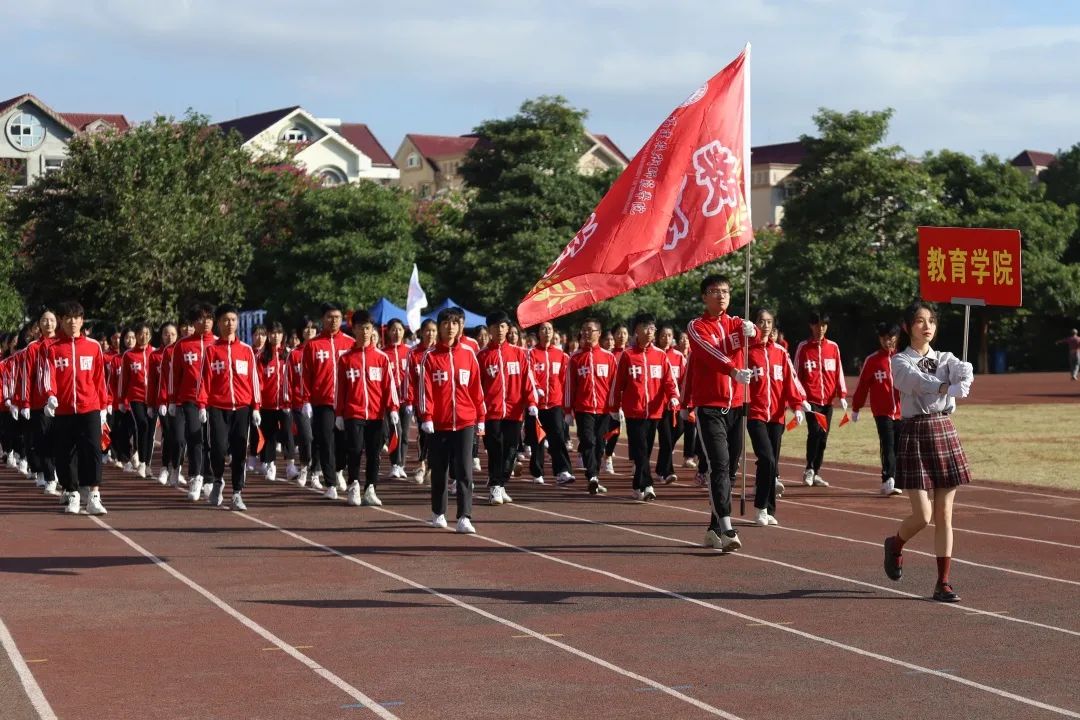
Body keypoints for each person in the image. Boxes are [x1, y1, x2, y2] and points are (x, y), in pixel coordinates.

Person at [884, 301, 974, 603]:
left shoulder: (946, 357)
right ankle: (895, 545)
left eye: (931, 321)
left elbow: (960, 373)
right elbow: (917, 383)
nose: (928, 326)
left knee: (945, 514)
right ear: (909, 326)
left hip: (943, 429)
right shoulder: (900, 361)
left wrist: (964, 374)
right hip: (916, 433)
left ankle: (943, 582)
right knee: (922, 515)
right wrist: (945, 387)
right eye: (921, 321)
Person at [685, 274, 756, 552]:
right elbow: (710, 352)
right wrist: (733, 369)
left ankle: (713, 528)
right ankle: (727, 528)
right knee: (719, 465)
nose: (721, 296)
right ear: (704, 296)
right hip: (710, 407)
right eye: (714, 291)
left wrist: (753, 332)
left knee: (732, 468)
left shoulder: (736, 322)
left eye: (725, 291)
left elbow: (754, 340)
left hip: (737, 406)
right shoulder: (696, 326)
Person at [417, 307, 486, 533]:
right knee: (440, 469)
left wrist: (481, 417)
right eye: (446, 323)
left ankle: (464, 516)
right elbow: (424, 389)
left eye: (454, 323)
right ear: (439, 327)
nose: (450, 327)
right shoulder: (430, 357)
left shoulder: (468, 355)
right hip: (439, 423)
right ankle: (439, 512)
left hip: (466, 421)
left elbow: (477, 389)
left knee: (465, 470)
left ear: (460, 327)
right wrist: (427, 416)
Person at [43, 301, 109, 515]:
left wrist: (104, 406)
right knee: (64, 454)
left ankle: (94, 496)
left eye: (77, 318)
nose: (73, 322)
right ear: (61, 320)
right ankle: (72, 493)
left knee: (93, 451)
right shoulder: (52, 348)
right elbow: (48, 376)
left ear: (82, 320)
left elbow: (100, 379)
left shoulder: (93, 346)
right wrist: (51, 396)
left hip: (89, 407)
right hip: (63, 410)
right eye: (68, 318)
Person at [746, 309, 808, 526]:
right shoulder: (746, 352)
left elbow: (790, 381)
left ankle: (770, 508)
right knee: (766, 459)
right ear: (753, 324)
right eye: (760, 321)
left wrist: (797, 406)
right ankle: (760, 508)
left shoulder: (780, 353)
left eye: (769, 322)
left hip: (777, 416)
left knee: (772, 463)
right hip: (755, 414)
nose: (765, 325)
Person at [610, 313, 679, 501]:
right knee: (640, 448)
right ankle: (648, 485)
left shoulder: (660, 355)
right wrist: (614, 408)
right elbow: (618, 384)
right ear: (637, 331)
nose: (650, 332)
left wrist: (673, 397)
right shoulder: (627, 356)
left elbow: (669, 381)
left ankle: (637, 485)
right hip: (634, 411)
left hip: (655, 412)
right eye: (646, 328)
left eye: (652, 328)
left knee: (646, 450)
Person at [199, 304, 261, 510]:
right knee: (217, 448)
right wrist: (202, 405)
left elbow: (253, 379)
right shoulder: (211, 351)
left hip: (242, 408)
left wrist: (256, 407)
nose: (230, 324)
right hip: (217, 407)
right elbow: (204, 380)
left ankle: (237, 492)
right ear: (218, 323)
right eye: (226, 320)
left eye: (233, 320)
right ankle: (217, 479)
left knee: (239, 450)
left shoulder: (246, 350)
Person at [335, 310, 399, 507]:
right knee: (354, 450)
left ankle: (370, 488)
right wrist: (339, 413)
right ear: (354, 329)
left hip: (376, 413)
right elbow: (340, 389)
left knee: (374, 452)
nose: (365, 332)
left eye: (368, 328)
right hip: (353, 412)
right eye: (361, 328)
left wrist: (393, 408)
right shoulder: (345, 358)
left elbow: (389, 385)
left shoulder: (381, 358)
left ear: (373, 330)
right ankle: (354, 484)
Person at [477, 311, 539, 505]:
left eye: (503, 326)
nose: (500, 330)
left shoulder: (519, 354)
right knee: (495, 449)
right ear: (490, 330)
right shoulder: (482, 356)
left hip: (514, 411)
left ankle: (501, 483)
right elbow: (476, 386)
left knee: (511, 450)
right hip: (491, 412)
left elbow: (527, 380)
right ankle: (495, 485)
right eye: (496, 327)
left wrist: (532, 403)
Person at [794, 311, 847, 487]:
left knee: (823, 437)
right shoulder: (803, 347)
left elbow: (838, 371)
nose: (820, 329)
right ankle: (809, 468)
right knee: (815, 431)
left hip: (828, 401)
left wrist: (843, 394)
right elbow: (795, 374)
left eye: (823, 325)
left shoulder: (834, 347)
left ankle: (816, 471)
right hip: (811, 400)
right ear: (811, 326)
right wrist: (800, 398)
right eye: (817, 325)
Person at [169, 303, 216, 502]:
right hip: (190, 399)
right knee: (195, 438)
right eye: (200, 319)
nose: (204, 322)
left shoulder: (218, 343)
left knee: (212, 441)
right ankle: (195, 476)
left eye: (208, 318)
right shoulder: (183, 345)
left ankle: (210, 478)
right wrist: (172, 400)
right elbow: (175, 374)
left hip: (214, 400)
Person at [303, 303, 349, 499]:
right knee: (326, 441)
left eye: (337, 317)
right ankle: (330, 483)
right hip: (323, 401)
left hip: (346, 402)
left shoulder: (349, 343)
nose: (334, 320)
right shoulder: (313, 345)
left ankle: (339, 470)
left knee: (345, 443)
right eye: (330, 317)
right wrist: (306, 400)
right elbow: (306, 375)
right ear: (323, 319)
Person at [851, 323, 904, 496]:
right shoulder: (872, 360)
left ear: (896, 338)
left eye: (891, 337)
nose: (887, 341)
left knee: (900, 446)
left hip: (902, 412)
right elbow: (862, 386)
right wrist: (856, 408)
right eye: (884, 338)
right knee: (887, 444)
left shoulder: (904, 359)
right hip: (882, 412)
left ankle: (898, 478)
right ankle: (888, 479)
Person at [566, 318, 616, 496]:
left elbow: (615, 385)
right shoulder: (575, 358)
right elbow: (570, 385)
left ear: (599, 333)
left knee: (600, 444)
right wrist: (568, 410)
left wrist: (617, 407)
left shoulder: (609, 357)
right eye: (584, 330)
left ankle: (595, 475)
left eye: (591, 330)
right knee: (588, 441)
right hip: (583, 408)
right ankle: (592, 476)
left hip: (604, 409)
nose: (587, 333)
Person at [526, 321, 574, 485]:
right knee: (537, 440)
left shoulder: (561, 356)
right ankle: (537, 472)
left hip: (555, 404)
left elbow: (564, 380)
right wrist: (536, 390)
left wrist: (567, 407)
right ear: (538, 333)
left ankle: (563, 470)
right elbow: (529, 374)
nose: (546, 332)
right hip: (536, 405)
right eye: (543, 329)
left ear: (554, 333)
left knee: (558, 437)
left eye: (549, 329)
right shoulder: (531, 354)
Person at [18, 308, 59, 494]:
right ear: (39, 325)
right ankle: (49, 476)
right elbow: (28, 377)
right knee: (44, 439)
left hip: (63, 402)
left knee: (63, 439)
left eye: (51, 320)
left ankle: (58, 472)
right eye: (44, 320)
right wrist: (25, 402)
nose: (48, 323)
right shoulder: (33, 348)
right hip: (39, 402)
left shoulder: (63, 344)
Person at [117, 322, 155, 479]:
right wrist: (121, 399)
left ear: (151, 335)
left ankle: (147, 462)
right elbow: (123, 379)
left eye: (147, 333)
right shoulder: (129, 355)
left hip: (153, 398)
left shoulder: (155, 353)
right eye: (140, 333)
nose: (143, 336)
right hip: (136, 396)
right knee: (142, 424)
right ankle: (142, 462)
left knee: (150, 431)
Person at [258, 322, 293, 483]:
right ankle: (270, 464)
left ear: (282, 335)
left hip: (286, 403)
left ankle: (290, 464)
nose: (275, 336)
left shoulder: (288, 354)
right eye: (272, 333)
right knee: (269, 435)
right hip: (267, 404)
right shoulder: (262, 357)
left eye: (278, 333)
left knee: (287, 433)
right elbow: (258, 380)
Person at [406, 319, 438, 484]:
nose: (430, 334)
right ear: (421, 332)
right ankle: (422, 464)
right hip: (421, 403)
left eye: (433, 330)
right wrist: (409, 401)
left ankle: (432, 467)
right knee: (423, 435)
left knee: (435, 437)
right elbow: (409, 379)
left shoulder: (439, 352)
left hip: (438, 402)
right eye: (427, 330)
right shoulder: (414, 353)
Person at [654, 324, 686, 484]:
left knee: (679, 430)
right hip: (659, 406)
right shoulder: (656, 355)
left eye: (669, 335)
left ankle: (661, 466)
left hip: (676, 404)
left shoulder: (679, 357)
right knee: (666, 438)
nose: (666, 338)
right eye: (663, 335)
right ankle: (667, 472)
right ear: (658, 337)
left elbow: (685, 380)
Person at [288, 319, 319, 487]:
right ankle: (305, 466)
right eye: (306, 328)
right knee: (306, 437)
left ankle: (316, 472)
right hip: (300, 403)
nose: (309, 330)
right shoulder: (294, 354)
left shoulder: (321, 350)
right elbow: (289, 380)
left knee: (319, 438)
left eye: (312, 327)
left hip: (319, 401)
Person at [383, 319, 411, 480]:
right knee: (396, 431)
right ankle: (395, 463)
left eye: (399, 329)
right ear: (388, 332)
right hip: (390, 400)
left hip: (406, 399)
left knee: (405, 434)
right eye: (393, 329)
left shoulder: (409, 351)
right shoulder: (383, 353)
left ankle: (401, 465)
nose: (397, 332)